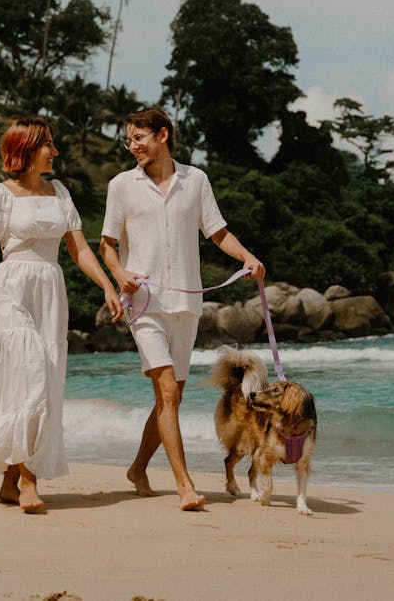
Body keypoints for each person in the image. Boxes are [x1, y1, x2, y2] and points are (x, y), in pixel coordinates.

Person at [0, 117, 123, 513]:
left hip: (50, 291)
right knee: (31, 378)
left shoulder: (60, 193)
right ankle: (28, 482)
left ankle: (10, 479)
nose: (55, 152)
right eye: (48, 145)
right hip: (11, 290)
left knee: (43, 380)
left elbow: (80, 250)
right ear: (25, 150)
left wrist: (108, 285)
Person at [100, 106, 265, 511]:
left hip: (188, 303)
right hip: (144, 304)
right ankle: (185, 485)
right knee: (168, 393)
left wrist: (247, 257)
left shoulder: (196, 181)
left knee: (168, 399)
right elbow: (106, 243)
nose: (132, 146)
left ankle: (138, 468)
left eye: (138, 138)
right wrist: (120, 273)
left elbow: (217, 231)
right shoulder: (121, 185)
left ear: (162, 135)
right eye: (129, 140)